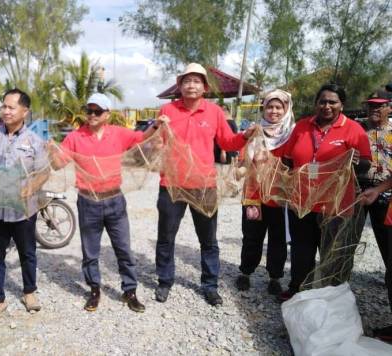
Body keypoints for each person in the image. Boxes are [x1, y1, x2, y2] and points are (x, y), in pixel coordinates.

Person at [50, 93, 166, 313]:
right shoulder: (75, 137)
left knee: (123, 249)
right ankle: (94, 290)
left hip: (115, 200)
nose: (92, 115)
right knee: (90, 251)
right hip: (87, 201)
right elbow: (57, 164)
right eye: (89, 110)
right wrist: (49, 151)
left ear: (107, 114)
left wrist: (156, 125)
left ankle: (129, 291)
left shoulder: (118, 134)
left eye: (97, 111)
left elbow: (141, 138)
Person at [154, 63, 256, 306]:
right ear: (180, 86)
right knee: (166, 237)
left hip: (204, 185)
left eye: (196, 81)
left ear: (204, 87)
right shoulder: (167, 110)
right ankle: (164, 281)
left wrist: (245, 136)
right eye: (187, 80)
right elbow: (156, 144)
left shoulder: (215, 112)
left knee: (208, 239)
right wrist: (155, 133)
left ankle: (210, 285)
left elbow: (228, 143)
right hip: (172, 184)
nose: (191, 85)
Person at [278, 84, 371, 302]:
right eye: (322, 101)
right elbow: (288, 159)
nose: (326, 106)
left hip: (336, 205)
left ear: (342, 105)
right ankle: (298, 289)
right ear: (316, 104)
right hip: (302, 202)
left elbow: (365, 164)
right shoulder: (302, 127)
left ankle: (329, 297)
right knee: (301, 250)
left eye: (332, 102)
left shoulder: (354, 129)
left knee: (332, 254)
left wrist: (355, 162)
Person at [0, 88, 49, 322]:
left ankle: (29, 292)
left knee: (28, 252)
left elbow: (44, 171)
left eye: (11, 107)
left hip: (24, 209)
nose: (5, 111)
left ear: (25, 111)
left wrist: (31, 188)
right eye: (3, 106)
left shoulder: (34, 141)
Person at [235, 89, 295, 295]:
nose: (274, 111)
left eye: (279, 107)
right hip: (254, 197)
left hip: (280, 199)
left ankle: (275, 277)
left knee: (278, 240)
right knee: (252, 236)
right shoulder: (255, 133)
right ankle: (245, 272)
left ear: (286, 109)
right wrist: (239, 170)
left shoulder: (292, 134)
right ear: (264, 109)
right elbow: (242, 163)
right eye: (270, 106)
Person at [357, 95, 392, 341]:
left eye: (380, 107)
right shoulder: (358, 131)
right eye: (371, 106)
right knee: (345, 245)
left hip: (387, 196)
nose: (375, 111)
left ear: (389, 108)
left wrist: (380, 190)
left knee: (389, 252)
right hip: (358, 193)